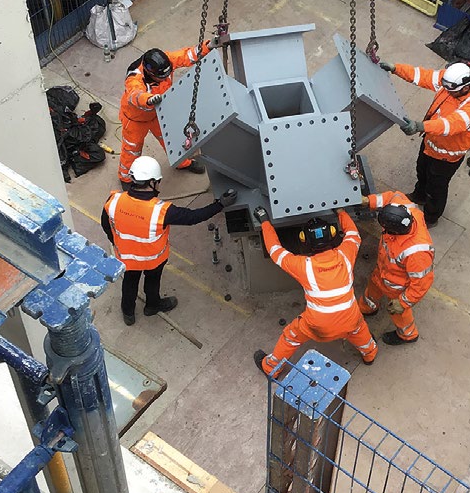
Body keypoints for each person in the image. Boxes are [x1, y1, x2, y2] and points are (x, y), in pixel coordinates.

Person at [102, 155, 236, 325]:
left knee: (129, 283)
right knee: (152, 281)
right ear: (152, 182)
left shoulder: (114, 201)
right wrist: (220, 204)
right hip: (153, 260)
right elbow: (193, 217)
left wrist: (115, 241)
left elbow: (105, 223)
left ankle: (128, 313)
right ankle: (152, 306)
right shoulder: (162, 211)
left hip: (127, 259)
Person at [252, 207, 378, 377]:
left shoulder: (303, 266)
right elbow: (353, 234)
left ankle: (271, 367)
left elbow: (275, 251)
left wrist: (265, 222)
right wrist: (341, 211)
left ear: (304, 241)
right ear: (332, 234)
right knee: (358, 328)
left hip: (318, 326)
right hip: (350, 319)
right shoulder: (346, 254)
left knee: (291, 336)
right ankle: (370, 354)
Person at [379, 60, 470, 226]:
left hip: (446, 156)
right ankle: (419, 195)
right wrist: (396, 68)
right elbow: (423, 76)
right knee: (422, 171)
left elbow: (449, 125)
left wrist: (420, 126)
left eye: (451, 91)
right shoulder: (452, 82)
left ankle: (430, 218)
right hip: (431, 143)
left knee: (436, 188)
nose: (446, 92)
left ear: (465, 88)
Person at [119, 43, 214, 187]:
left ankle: (182, 162)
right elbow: (135, 95)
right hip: (135, 120)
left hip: (158, 113)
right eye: (161, 77)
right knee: (132, 149)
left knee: (171, 139)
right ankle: (125, 178)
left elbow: (186, 55)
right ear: (150, 73)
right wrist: (148, 100)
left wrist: (209, 46)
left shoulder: (165, 62)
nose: (165, 79)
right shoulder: (134, 78)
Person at [358, 190, 435, 345]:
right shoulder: (404, 208)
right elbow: (390, 197)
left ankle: (408, 335)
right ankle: (367, 308)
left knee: (398, 312)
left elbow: (421, 283)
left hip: (396, 287)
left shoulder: (417, 253)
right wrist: (369, 201)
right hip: (381, 272)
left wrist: (403, 302)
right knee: (372, 290)